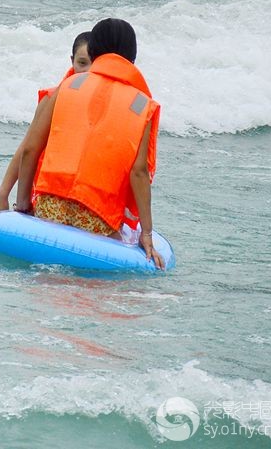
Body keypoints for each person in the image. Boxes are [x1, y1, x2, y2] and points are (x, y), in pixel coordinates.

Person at [13, 18, 164, 269]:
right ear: (132, 58)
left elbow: (30, 149)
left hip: (51, 207)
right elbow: (139, 172)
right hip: (98, 219)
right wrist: (146, 234)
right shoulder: (142, 104)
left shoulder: (68, 85)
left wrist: (23, 207)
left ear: (93, 52)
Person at [0, 31, 92, 215]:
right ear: (72, 61)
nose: (87, 71)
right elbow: (27, 148)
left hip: (85, 200)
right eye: (82, 63)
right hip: (48, 193)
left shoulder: (107, 105)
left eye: (94, 64)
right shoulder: (52, 98)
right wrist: (2, 195)